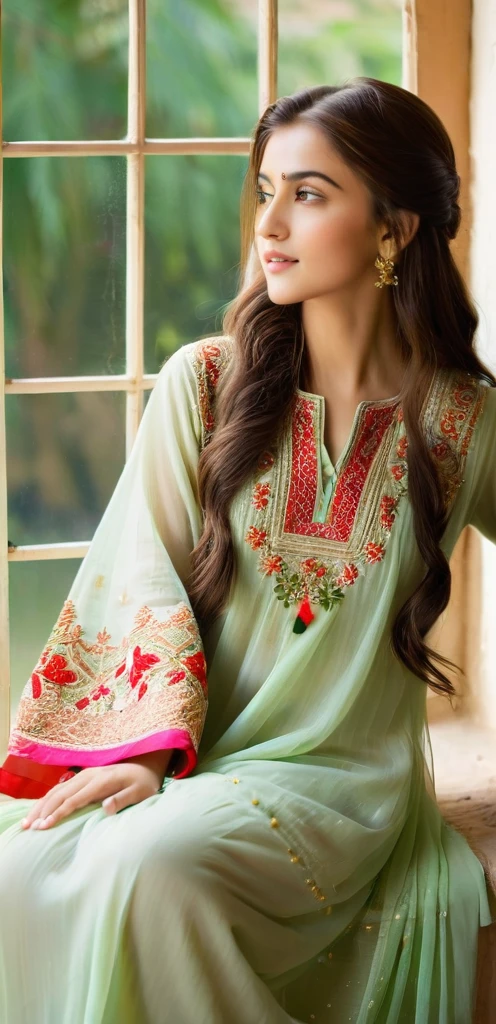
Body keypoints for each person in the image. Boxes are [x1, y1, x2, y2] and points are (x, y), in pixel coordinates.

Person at [0, 76, 495, 1024]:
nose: (269, 223)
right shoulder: (209, 383)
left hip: (344, 793)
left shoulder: (460, 420)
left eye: (308, 194)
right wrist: (144, 758)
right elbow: (136, 577)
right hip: (197, 763)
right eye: (265, 189)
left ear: (393, 231)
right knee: (23, 873)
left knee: (150, 873)